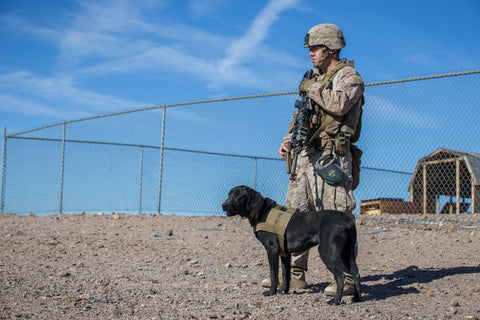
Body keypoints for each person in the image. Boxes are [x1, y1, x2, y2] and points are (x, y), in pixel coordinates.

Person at [262, 23, 364, 296]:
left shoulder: (349, 76)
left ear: (331, 49)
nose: (311, 53)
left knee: (335, 215)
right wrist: (287, 139)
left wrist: (312, 88)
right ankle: (294, 275)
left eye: (316, 48)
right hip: (306, 155)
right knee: (295, 214)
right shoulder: (313, 79)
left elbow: (340, 104)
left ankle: (346, 278)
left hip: (332, 156)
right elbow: (301, 117)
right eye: (310, 49)